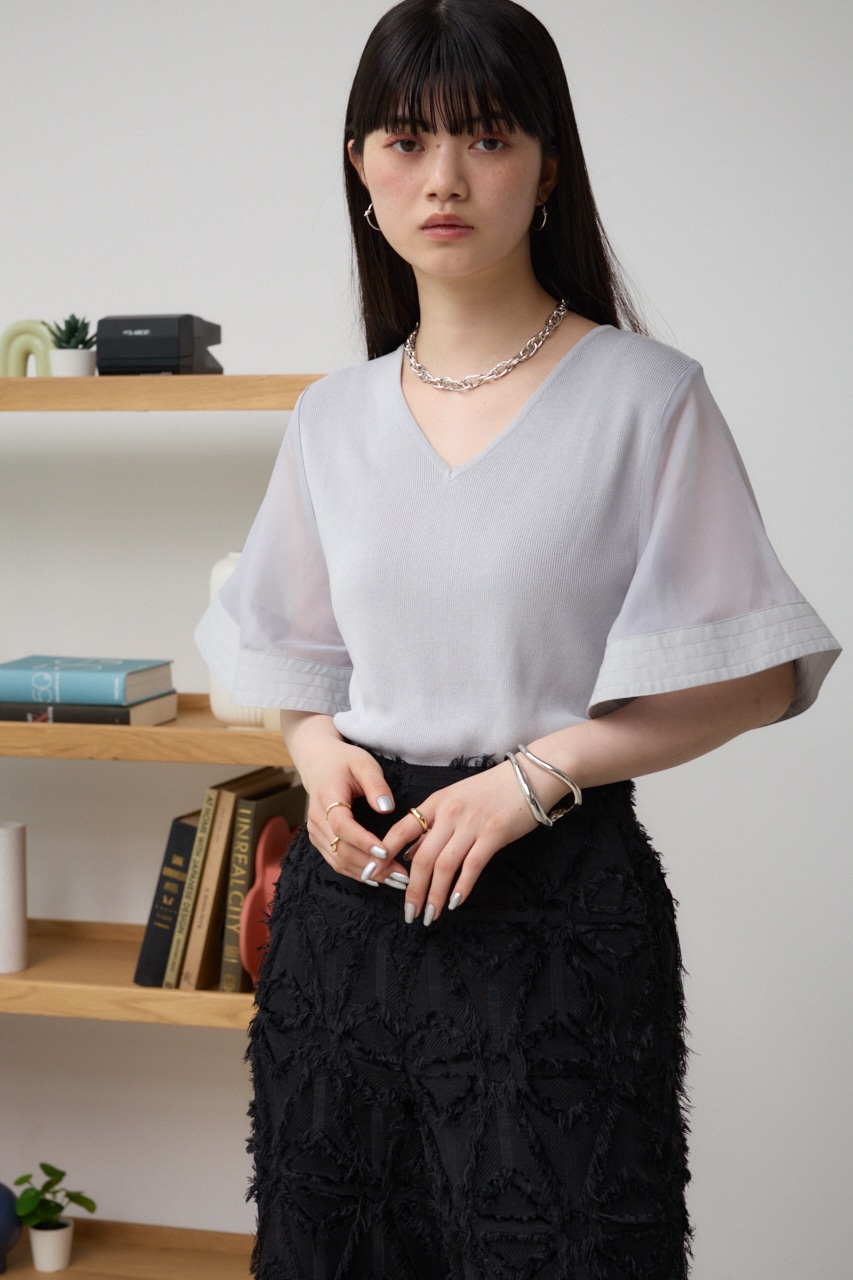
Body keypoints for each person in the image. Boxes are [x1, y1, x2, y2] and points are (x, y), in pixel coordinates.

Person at [196, 2, 840, 1276]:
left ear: (548, 168)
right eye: (405, 140)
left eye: (486, 138)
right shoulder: (330, 417)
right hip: (349, 914)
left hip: (554, 910)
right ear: (361, 167)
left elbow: (758, 674)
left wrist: (532, 777)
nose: (442, 178)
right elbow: (286, 658)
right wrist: (315, 756)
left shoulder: (647, 397)